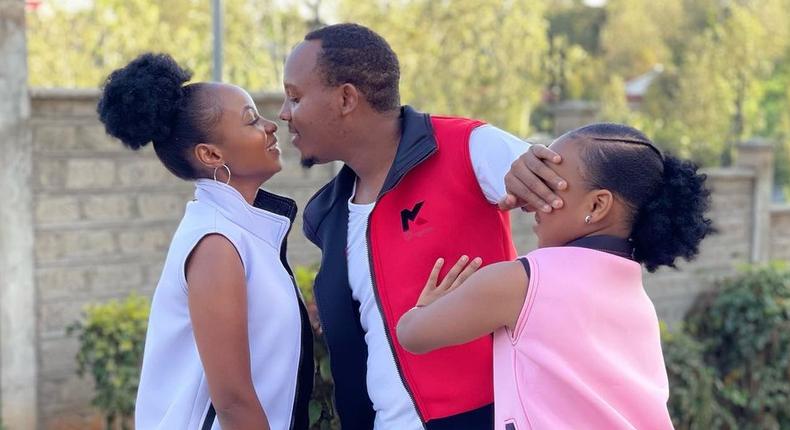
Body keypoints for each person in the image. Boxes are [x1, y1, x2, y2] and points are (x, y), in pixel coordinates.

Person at [278, 22, 559, 429]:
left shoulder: (467, 146)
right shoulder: (330, 214)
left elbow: (578, 208)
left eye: (295, 97)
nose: (285, 114)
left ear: (345, 98)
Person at [397, 123, 714, 429]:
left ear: (597, 205)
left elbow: (413, 336)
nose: (532, 201)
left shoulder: (522, 283)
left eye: (549, 184)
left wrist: (424, 308)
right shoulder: (638, 300)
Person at [97, 53, 313, 430]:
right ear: (211, 155)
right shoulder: (216, 242)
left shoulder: (239, 231)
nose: (271, 125)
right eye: (251, 119)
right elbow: (232, 402)